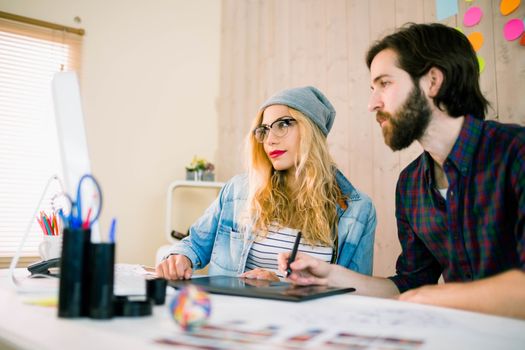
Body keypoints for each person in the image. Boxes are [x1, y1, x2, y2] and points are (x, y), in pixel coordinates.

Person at [278, 23, 525, 319]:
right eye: (373, 88)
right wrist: (329, 276)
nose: (372, 103)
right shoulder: (410, 185)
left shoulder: (516, 154)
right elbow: (409, 285)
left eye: (385, 84)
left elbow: (423, 294)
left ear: (432, 82)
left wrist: (435, 297)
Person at [156, 86, 376, 281]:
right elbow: (195, 243)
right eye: (264, 130)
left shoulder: (358, 210)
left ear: (312, 130)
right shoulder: (238, 191)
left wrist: (278, 286)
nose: (270, 140)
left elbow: (357, 292)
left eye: (283, 124)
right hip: (235, 318)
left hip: (307, 324)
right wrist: (180, 257)